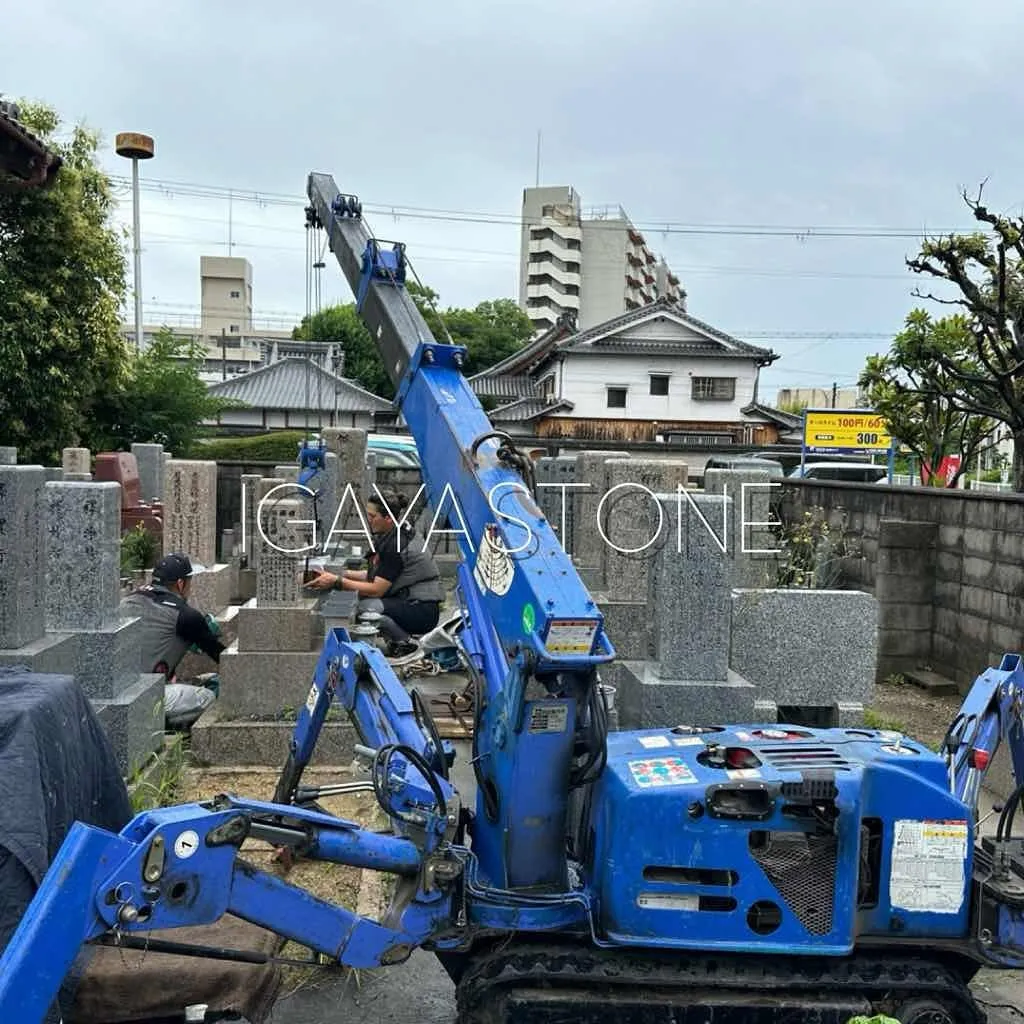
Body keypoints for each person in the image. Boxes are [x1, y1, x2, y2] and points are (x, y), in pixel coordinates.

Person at [307, 489, 443, 654]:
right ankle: (396, 638)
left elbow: (376, 589)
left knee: (365, 607)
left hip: (421, 610)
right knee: (361, 599)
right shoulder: (396, 532)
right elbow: (378, 576)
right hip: (413, 602)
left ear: (387, 518)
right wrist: (341, 572)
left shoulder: (396, 544)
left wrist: (336, 581)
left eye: (372, 517)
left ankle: (404, 642)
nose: (368, 520)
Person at [121, 552, 226, 729]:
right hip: (145, 698)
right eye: (189, 583)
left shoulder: (127, 600)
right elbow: (223, 658)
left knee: (201, 679)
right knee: (208, 695)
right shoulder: (185, 616)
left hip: (114, 691)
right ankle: (164, 726)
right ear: (180, 584)